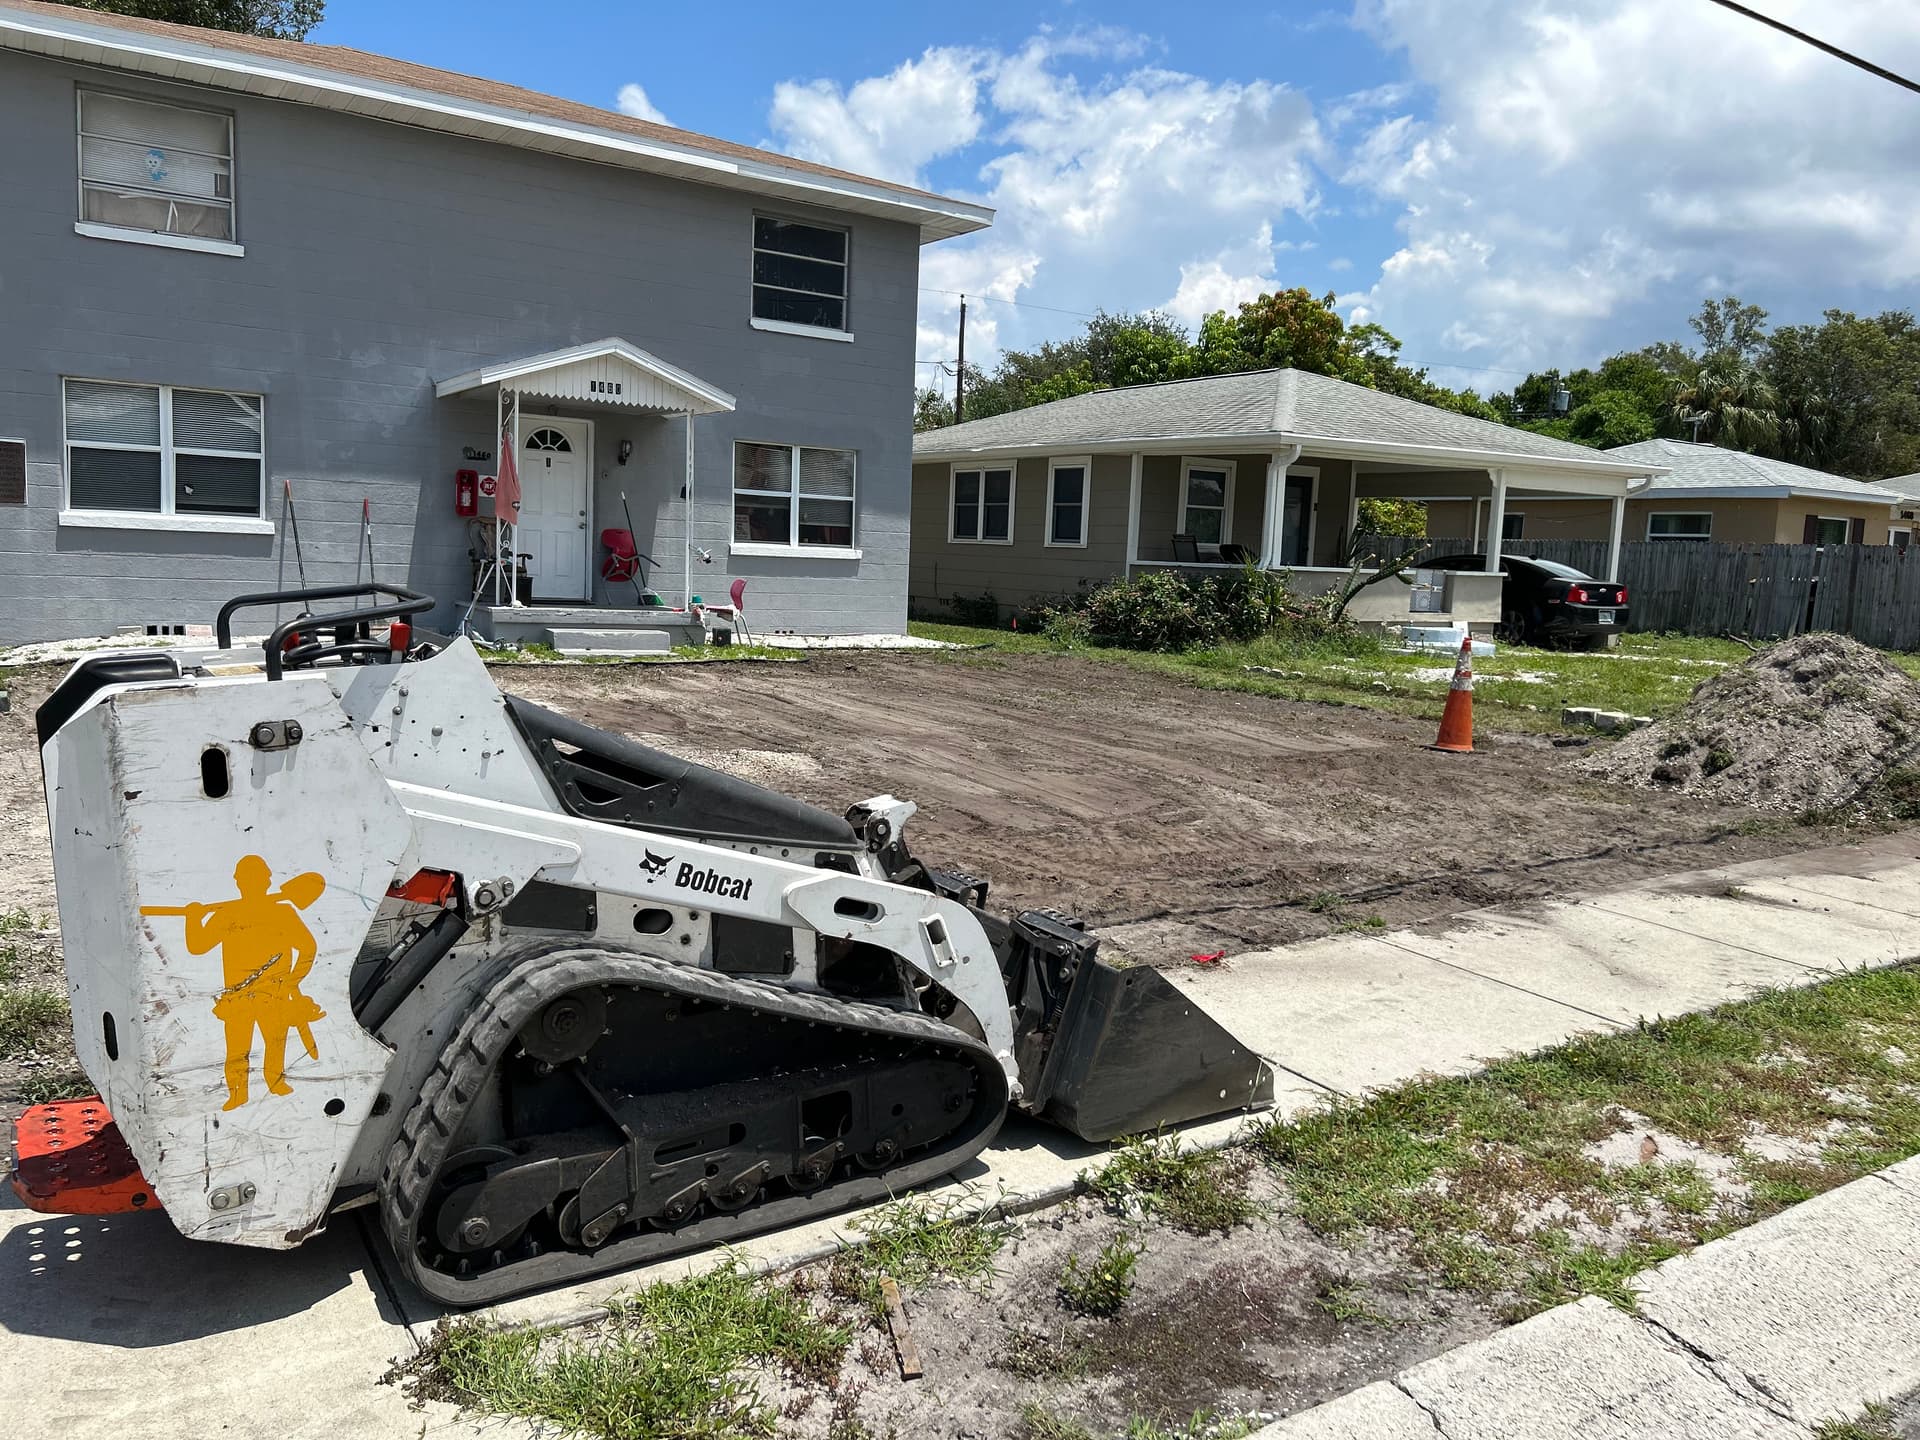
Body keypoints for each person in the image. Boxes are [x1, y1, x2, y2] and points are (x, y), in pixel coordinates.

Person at [179, 856, 327, 1110]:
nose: (250, 882)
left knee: (275, 1041)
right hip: (238, 997)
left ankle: (275, 1082)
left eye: (256, 877)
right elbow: (198, 945)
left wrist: (291, 981)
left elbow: (308, 948)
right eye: (246, 878)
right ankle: (238, 1093)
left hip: (273, 994)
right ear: (238, 882)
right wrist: (193, 918)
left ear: (267, 880)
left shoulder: (282, 912)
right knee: (237, 1050)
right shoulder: (227, 914)